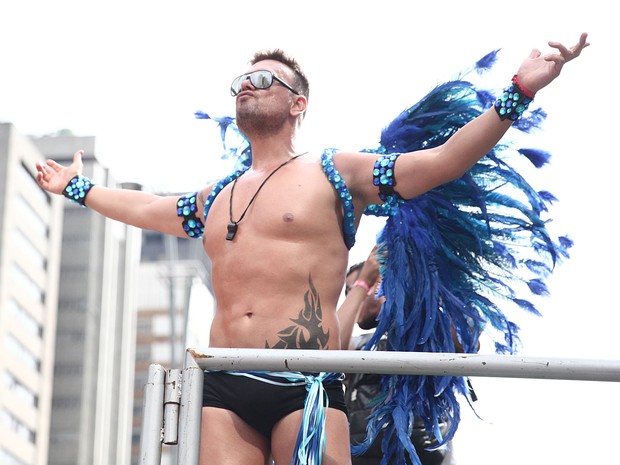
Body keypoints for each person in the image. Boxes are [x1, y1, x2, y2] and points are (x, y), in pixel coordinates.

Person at [35, 33, 589, 465]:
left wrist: (521, 89)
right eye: (241, 81)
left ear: (298, 102)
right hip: (225, 378)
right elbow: (146, 210)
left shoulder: (336, 172)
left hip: (306, 377)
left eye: (263, 79)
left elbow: (439, 163)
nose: (246, 85)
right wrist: (75, 188)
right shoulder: (215, 197)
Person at [340, 248, 464, 465]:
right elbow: (328, 354)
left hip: (426, 455)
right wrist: (361, 286)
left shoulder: (426, 333)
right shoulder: (359, 346)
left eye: (361, 286)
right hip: (362, 456)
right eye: (348, 292)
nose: (353, 298)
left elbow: (462, 340)